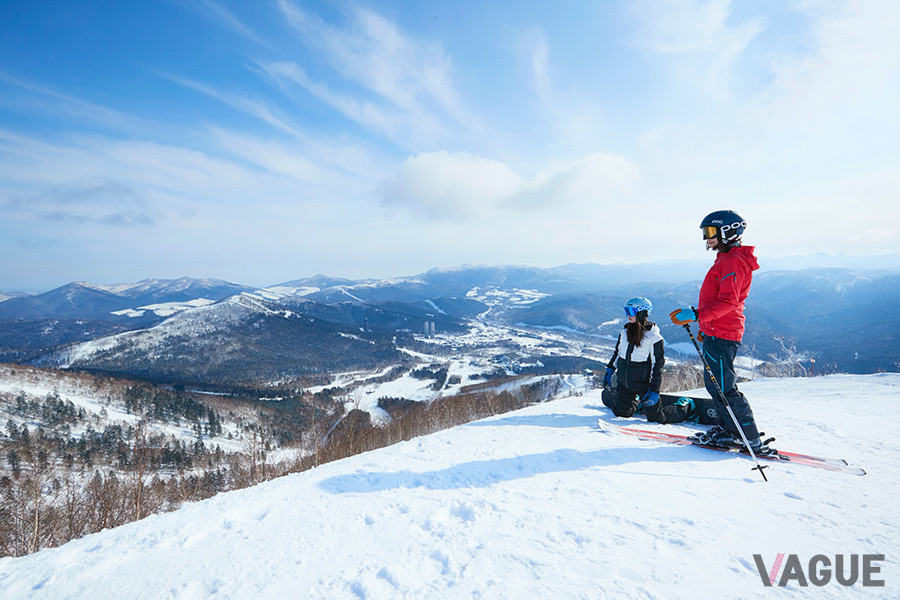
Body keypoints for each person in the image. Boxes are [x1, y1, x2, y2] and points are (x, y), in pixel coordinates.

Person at [669, 209, 774, 455]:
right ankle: (730, 430)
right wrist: (705, 328)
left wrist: (697, 316)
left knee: (724, 387)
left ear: (727, 232)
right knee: (714, 384)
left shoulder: (732, 261)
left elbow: (728, 302)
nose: (707, 238)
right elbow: (718, 300)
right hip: (717, 330)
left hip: (724, 332)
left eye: (711, 232)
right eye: (705, 233)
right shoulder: (726, 258)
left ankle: (747, 437)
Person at [601, 297, 665, 419]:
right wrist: (610, 370)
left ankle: (686, 407)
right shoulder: (624, 332)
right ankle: (637, 403)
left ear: (642, 313)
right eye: (626, 311)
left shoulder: (654, 337)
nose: (627, 315)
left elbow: (658, 364)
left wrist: (655, 390)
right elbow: (618, 353)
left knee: (657, 418)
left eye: (630, 312)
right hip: (624, 384)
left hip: (644, 385)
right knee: (620, 413)